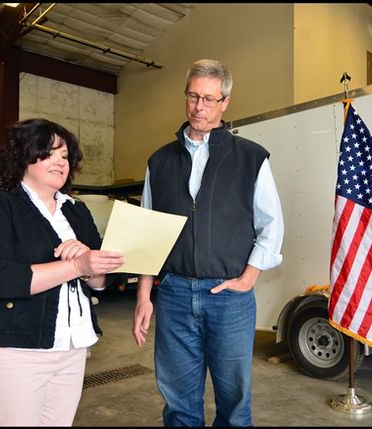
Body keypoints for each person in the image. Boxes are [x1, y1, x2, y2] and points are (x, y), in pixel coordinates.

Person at [132, 59, 284, 426]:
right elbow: (148, 233)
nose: (199, 107)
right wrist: (143, 296)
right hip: (175, 296)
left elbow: (271, 225)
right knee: (179, 403)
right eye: (193, 96)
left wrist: (247, 279)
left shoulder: (251, 157)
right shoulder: (159, 161)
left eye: (209, 99)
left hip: (228, 297)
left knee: (234, 404)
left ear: (225, 103)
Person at [0, 118, 125, 426]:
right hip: (16, 351)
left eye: (64, 156)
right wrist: (75, 265)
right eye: (49, 152)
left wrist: (91, 268)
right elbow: (1, 279)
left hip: (72, 346)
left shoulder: (76, 211)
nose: (60, 162)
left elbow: (99, 281)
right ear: (23, 156)